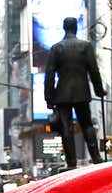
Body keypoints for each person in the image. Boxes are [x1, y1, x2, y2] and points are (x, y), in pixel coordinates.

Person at [43, 16, 107, 171]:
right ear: (76, 28)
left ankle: (71, 163)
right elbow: (94, 70)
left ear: (64, 28)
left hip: (62, 94)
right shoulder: (85, 46)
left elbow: (49, 75)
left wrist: (49, 98)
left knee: (66, 128)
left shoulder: (56, 48)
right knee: (87, 125)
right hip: (81, 92)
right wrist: (99, 91)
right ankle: (96, 158)